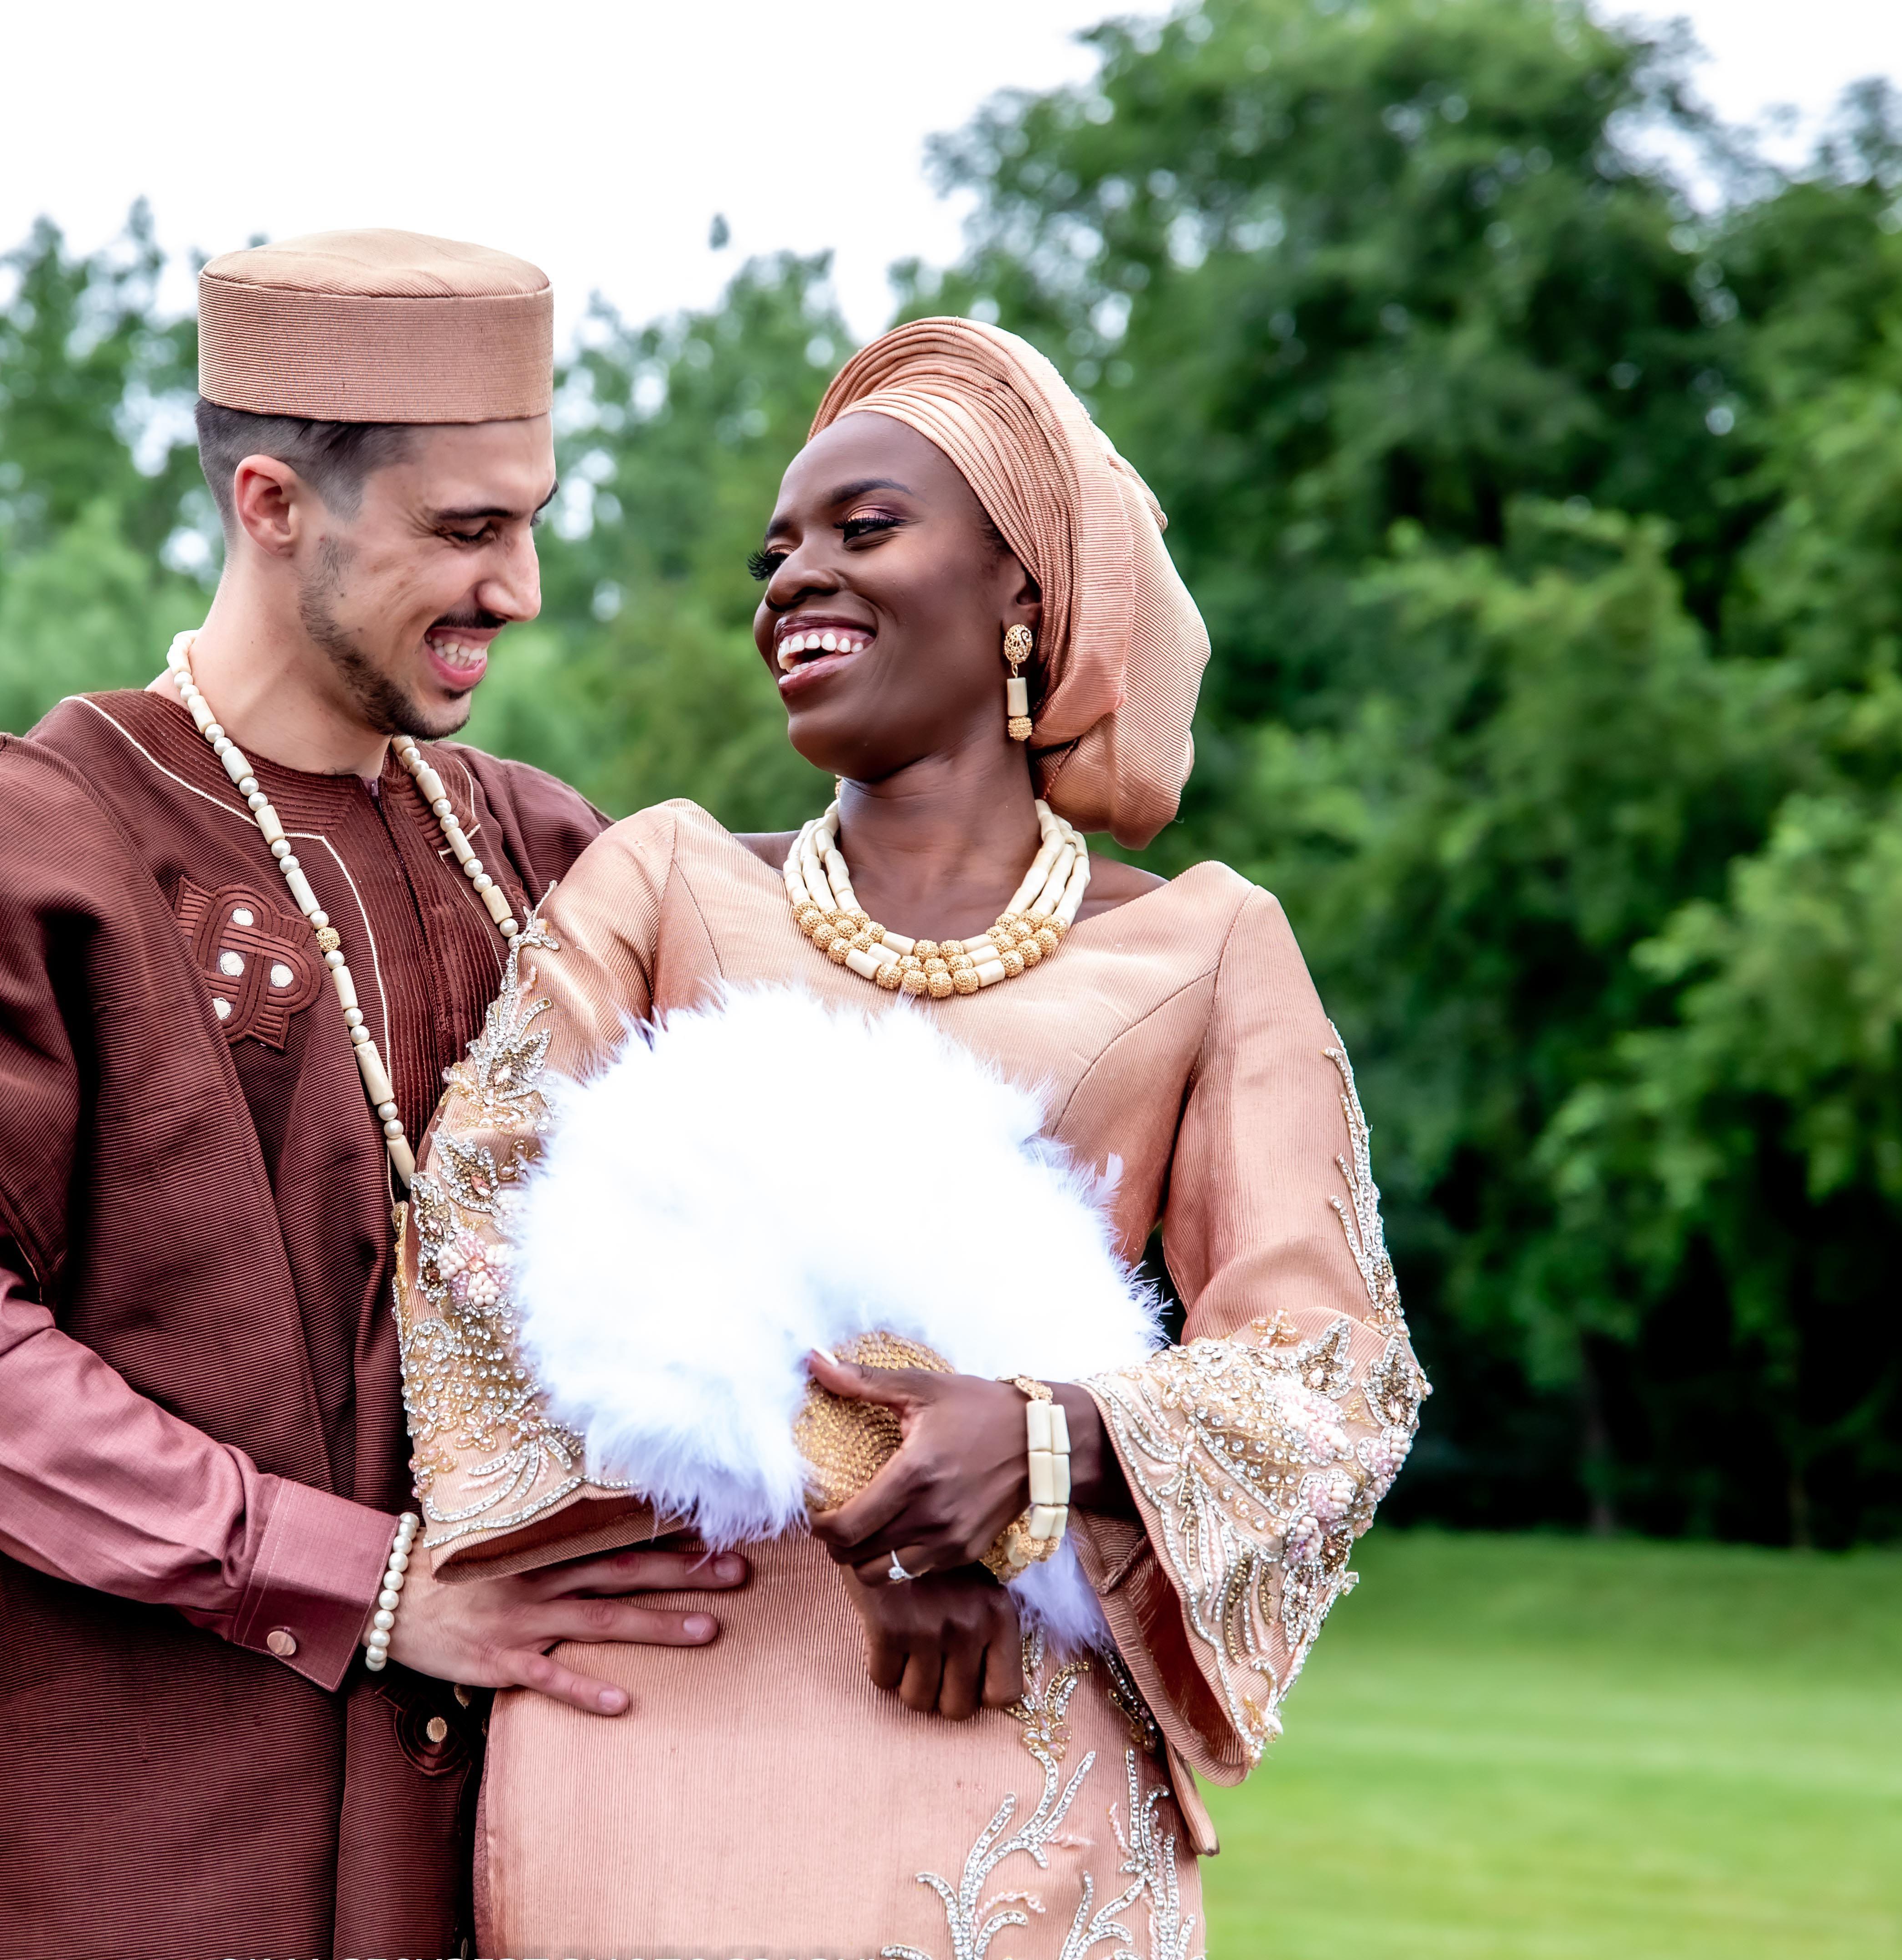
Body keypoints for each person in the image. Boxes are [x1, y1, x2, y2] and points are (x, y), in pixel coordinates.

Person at [0, 229, 743, 1960]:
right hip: (126, 1863)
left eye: (533, 522)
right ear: (274, 504)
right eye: (467, 531)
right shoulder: (29, 850)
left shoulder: (553, 857)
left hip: (504, 1858)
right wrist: (362, 1580)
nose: (523, 588)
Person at [397, 316, 1429, 1955]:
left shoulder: (1209, 946)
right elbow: (477, 1236)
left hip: (1005, 1747)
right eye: (776, 555)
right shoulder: (664, 879)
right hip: (667, 1710)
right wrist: (856, 1470)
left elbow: (1333, 1375)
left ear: (1026, 587)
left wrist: (1037, 1445)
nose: (794, 580)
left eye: (864, 528)